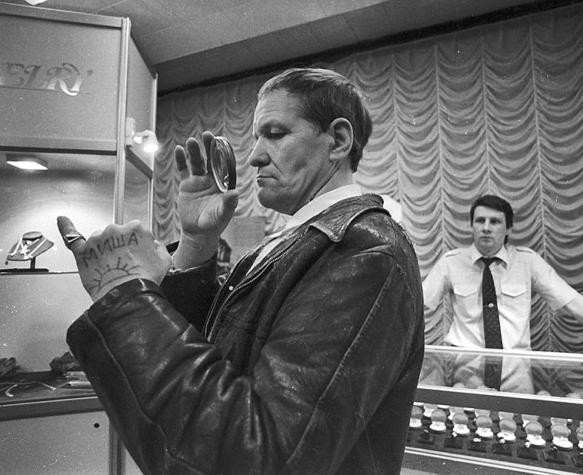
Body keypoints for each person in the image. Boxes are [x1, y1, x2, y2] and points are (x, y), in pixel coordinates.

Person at [56, 68, 425, 474]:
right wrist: (197, 243)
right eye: (256, 137)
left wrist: (123, 293)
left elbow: (259, 459)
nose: (255, 156)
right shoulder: (302, 240)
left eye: (276, 133)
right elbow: (217, 365)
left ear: (337, 141)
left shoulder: (365, 251)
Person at [422, 194, 583, 369]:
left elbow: (575, 304)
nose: (486, 227)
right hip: (462, 369)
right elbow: (416, 308)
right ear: (472, 226)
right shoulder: (451, 262)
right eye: (480, 221)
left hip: (516, 371)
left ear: (508, 229)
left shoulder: (527, 262)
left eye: (495, 221)